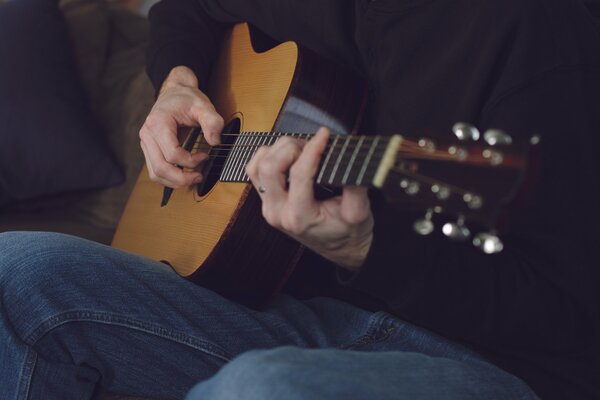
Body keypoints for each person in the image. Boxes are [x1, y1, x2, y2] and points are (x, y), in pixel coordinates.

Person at [1, 0, 599, 399]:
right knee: (16, 272)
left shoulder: (536, 34)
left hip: (494, 362)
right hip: (299, 308)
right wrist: (175, 82)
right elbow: (184, 7)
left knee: (263, 388)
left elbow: (571, 320)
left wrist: (368, 248)